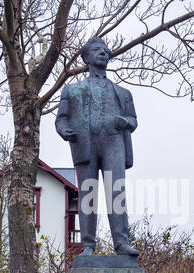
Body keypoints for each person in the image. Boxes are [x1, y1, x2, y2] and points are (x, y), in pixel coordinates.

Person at [55, 37, 139, 256]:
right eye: (97, 50)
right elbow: (61, 119)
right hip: (86, 146)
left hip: (114, 144)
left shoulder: (123, 93)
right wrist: (65, 131)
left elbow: (133, 120)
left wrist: (126, 122)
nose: (103, 52)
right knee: (88, 196)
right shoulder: (71, 91)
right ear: (86, 57)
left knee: (117, 193)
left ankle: (121, 243)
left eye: (105, 50)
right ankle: (88, 246)